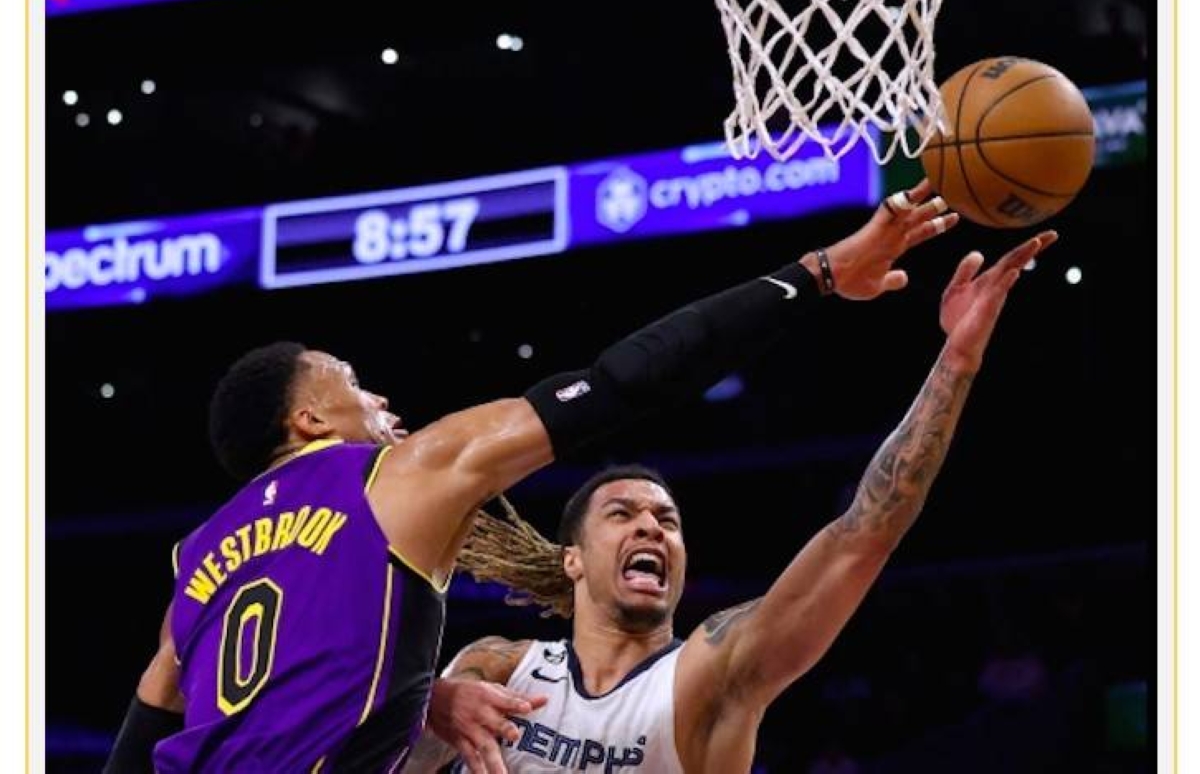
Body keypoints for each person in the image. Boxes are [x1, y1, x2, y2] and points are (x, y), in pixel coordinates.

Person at [102, 182, 958, 773]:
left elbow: (149, 729)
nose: (379, 396)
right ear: (309, 420)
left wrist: (421, 701)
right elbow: (627, 379)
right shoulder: (397, 475)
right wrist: (814, 276)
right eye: (353, 381)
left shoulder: (198, 556)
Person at [407, 230, 1058, 774]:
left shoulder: (712, 674)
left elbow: (866, 529)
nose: (652, 528)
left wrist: (959, 357)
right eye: (623, 514)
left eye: (668, 521)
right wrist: (425, 702)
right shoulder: (498, 666)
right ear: (573, 559)